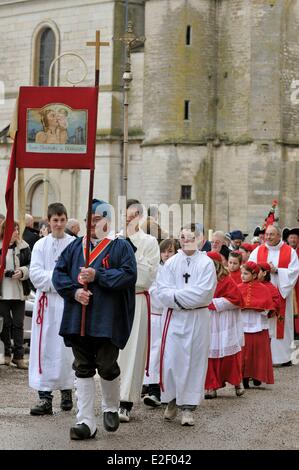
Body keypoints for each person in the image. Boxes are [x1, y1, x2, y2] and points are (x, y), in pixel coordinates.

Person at [52, 199, 137, 440]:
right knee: (83, 367)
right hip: (78, 315)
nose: (92, 224)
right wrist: (74, 291)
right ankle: (86, 421)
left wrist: (98, 275)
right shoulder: (74, 247)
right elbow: (59, 274)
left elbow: (129, 275)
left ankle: (110, 407)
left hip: (107, 319)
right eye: (89, 219)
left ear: (107, 221)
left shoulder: (121, 247)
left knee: (107, 365)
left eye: (98, 219)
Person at [157, 223, 217, 426]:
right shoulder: (171, 262)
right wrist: (180, 297)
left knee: (194, 361)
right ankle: (172, 400)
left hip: (197, 318)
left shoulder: (206, 263)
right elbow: (161, 291)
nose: (185, 241)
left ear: (199, 239)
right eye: (182, 237)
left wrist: (176, 296)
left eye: (190, 237)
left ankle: (189, 408)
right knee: (172, 360)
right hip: (174, 318)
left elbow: (204, 294)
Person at [29, 203, 75, 416]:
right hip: (46, 306)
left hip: (67, 303)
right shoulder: (40, 245)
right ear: (48, 221)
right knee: (45, 348)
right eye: (54, 220)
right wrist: (58, 279)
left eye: (62, 219)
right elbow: (36, 275)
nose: (58, 224)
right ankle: (45, 397)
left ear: (66, 220)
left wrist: (57, 279)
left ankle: (67, 391)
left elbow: (76, 275)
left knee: (67, 349)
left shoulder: (74, 244)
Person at [118, 199, 160, 423]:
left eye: (135, 214)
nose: (130, 218)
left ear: (141, 218)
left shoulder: (150, 242)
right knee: (113, 351)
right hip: (115, 300)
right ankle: (111, 398)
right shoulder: (114, 239)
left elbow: (146, 277)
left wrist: (131, 259)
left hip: (137, 299)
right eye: (127, 214)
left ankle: (125, 401)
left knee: (133, 351)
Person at [249, 225, 299, 366]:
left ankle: (283, 358)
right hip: (262, 294)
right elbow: (250, 267)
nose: (268, 237)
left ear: (279, 236)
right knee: (265, 324)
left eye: (272, 234)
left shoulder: (289, 251)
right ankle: (263, 358)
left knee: (282, 324)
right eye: (267, 234)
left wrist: (276, 270)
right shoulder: (258, 250)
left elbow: (294, 271)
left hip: (282, 292)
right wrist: (263, 270)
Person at [143, 238, 179, 408]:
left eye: (170, 251)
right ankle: (153, 390)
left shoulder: (178, 269)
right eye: (163, 251)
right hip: (156, 316)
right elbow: (151, 290)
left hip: (171, 317)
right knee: (153, 354)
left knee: (169, 354)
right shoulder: (155, 269)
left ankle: (169, 392)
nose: (166, 254)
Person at [204, 251, 244, 399]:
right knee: (210, 353)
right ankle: (211, 386)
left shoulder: (226, 279)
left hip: (225, 321)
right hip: (209, 321)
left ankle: (237, 382)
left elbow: (237, 300)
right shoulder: (201, 279)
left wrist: (214, 303)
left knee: (229, 353)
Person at [0, 220, 31, 368]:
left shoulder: (25, 247)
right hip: (3, 292)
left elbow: (32, 265)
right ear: (5, 231)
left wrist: (23, 271)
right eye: (14, 230)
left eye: (18, 230)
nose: (17, 233)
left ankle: (19, 357)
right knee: (5, 324)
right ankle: (6, 354)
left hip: (19, 291)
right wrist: (5, 272)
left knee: (19, 324)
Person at [239, 261, 274, 388]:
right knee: (244, 353)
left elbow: (268, 307)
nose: (242, 276)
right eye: (241, 273)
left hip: (258, 325)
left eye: (246, 274)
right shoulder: (238, 287)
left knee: (258, 353)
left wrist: (258, 307)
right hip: (243, 325)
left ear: (254, 275)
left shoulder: (263, 289)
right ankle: (244, 377)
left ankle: (257, 375)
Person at [282, 227, 299, 339]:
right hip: (287, 281)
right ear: (287, 239)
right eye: (291, 237)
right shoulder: (284, 251)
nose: (293, 240)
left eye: (295, 238)